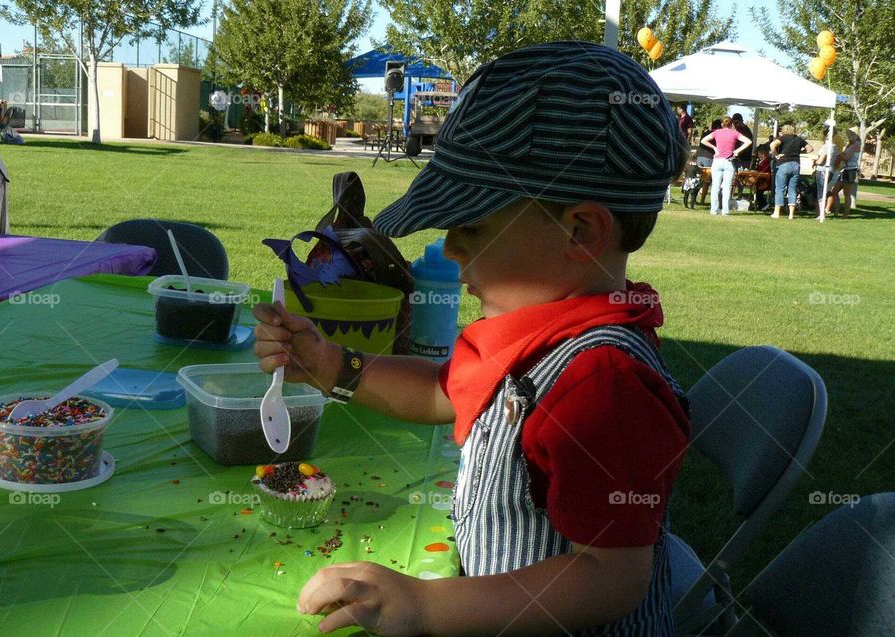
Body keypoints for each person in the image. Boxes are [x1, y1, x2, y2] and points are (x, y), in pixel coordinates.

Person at [256, 41, 691, 636]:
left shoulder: (600, 382)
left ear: (582, 230)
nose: (451, 247)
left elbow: (611, 577)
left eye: (471, 227)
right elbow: (444, 391)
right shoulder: (533, 330)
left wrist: (424, 606)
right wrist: (333, 364)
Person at [700, 117, 752, 215]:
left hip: (717, 161)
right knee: (727, 187)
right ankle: (725, 210)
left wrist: (714, 148)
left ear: (723, 124)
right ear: (731, 124)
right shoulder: (735, 133)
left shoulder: (717, 132)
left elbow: (703, 140)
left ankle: (713, 210)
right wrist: (737, 151)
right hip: (729, 161)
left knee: (715, 186)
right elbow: (748, 141)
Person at [769, 123, 813, 219]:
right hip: (796, 165)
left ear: (784, 130)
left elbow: (772, 144)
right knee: (792, 189)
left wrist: (776, 154)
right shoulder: (798, 139)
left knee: (780, 189)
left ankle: (776, 212)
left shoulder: (783, 138)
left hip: (784, 164)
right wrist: (800, 152)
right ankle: (791, 214)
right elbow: (810, 149)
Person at [826, 128, 862, 217]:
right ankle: (837, 212)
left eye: (851, 133)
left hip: (850, 170)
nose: (849, 135)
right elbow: (843, 154)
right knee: (834, 191)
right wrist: (841, 155)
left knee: (847, 193)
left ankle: (846, 213)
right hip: (843, 170)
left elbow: (847, 156)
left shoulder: (856, 144)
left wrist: (841, 156)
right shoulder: (850, 144)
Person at [753, 145, 773, 211]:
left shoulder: (767, 162)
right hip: (761, 179)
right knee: (757, 189)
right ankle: (761, 205)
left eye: (759, 154)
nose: (758, 156)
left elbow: (764, 172)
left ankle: (764, 205)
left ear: (763, 154)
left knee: (759, 191)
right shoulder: (763, 162)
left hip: (766, 181)